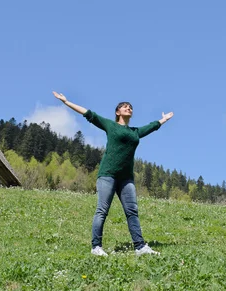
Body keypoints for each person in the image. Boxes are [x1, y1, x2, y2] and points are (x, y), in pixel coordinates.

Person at [52, 92, 174, 256]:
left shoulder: (134, 132)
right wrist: (66, 102)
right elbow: (89, 114)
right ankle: (96, 247)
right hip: (108, 174)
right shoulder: (111, 125)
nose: (128, 108)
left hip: (126, 179)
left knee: (132, 212)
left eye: (130, 107)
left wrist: (163, 120)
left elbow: (151, 127)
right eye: (125, 106)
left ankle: (140, 247)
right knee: (102, 210)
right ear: (117, 112)